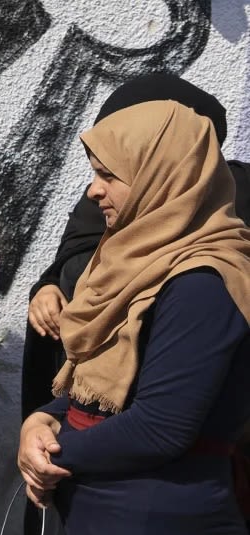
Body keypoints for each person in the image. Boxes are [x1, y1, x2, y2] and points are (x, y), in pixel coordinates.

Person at [17, 100, 250, 535]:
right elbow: (89, 384)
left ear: (163, 174)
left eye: (108, 174)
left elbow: (161, 426)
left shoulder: (204, 282)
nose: (93, 192)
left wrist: (53, 453)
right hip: (110, 534)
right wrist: (39, 420)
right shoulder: (129, 262)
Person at [22, 73, 250, 419]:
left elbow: (163, 427)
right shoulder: (104, 198)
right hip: (86, 393)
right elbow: (76, 257)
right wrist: (47, 286)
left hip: (168, 404)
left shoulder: (235, 195)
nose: (96, 188)